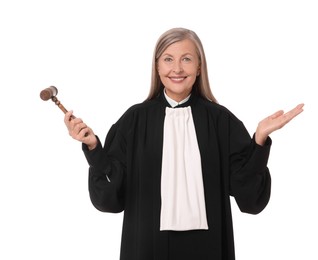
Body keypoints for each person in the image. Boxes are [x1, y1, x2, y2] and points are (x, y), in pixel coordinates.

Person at [64, 27, 304, 260]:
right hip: (147, 248)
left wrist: (259, 139)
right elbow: (112, 197)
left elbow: (249, 195)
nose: (177, 68)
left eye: (187, 59)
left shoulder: (221, 121)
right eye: (168, 59)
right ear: (157, 66)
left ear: (199, 67)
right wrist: (94, 148)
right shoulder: (134, 120)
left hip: (207, 247)